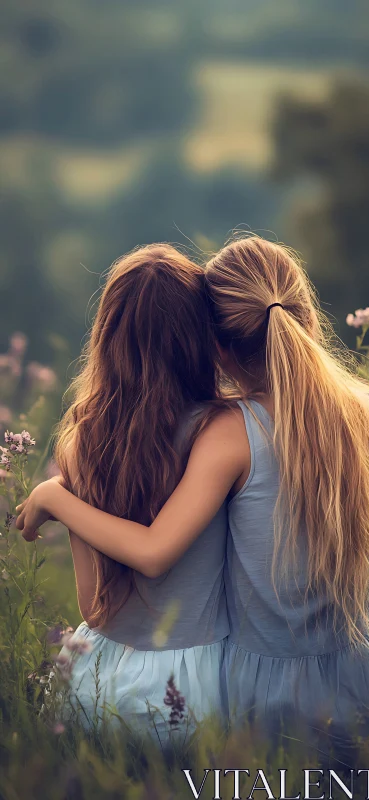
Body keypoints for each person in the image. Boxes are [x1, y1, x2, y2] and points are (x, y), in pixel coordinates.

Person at [16, 236, 369, 756]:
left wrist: (56, 498)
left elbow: (114, 594)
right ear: (307, 318)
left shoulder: (215, 433)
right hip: (364, 675)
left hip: (212, 692)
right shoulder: (368, 411)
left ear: (218, 344)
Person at [21, 243, 230, 745]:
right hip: (198, 688)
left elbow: (95, 610)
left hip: (100, 684)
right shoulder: (223, 430)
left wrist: (55, 497)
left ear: (106, 337)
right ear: (200, 337)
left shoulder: (84, 441)